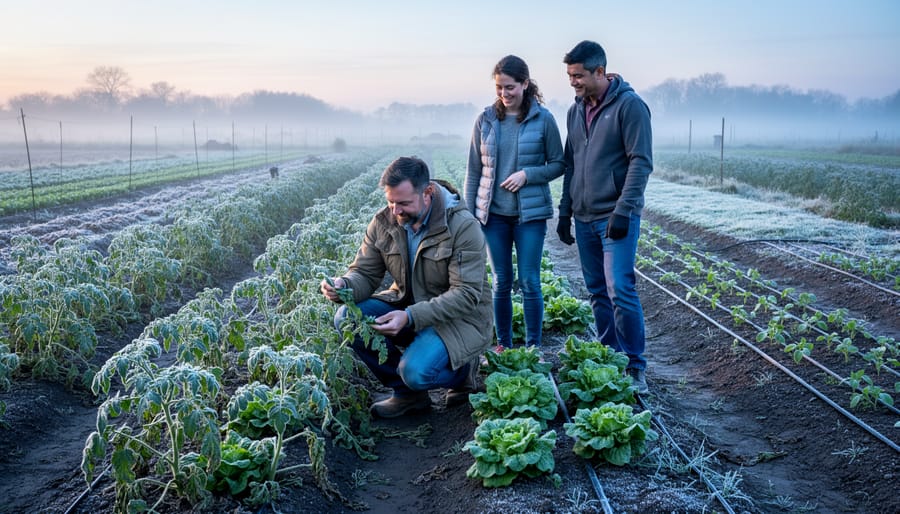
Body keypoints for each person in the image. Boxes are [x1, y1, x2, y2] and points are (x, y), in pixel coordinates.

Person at [321, 156, 493, 418]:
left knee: (416, 371)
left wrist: (410, 316)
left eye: (403, 203)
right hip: (409, 308)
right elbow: (365, 273)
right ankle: (407, 395)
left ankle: (463, 375)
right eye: (390, 202)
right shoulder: (384, 222)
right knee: (348, 318)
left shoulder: (462, 226)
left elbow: (466, 295)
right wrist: (344, 284)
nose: (395, 211)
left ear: (427, 193)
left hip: (460, 320)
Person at [556, 40, 653, 394]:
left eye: (578, 75)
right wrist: (565, 211)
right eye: (569, 75)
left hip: (615, 217)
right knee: (597, 291)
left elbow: (641, 162)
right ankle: (609, 356)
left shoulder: (630, 106)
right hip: (583, 217)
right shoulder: (574, 110)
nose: (573, 82)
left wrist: (624, 210)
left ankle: (634, 366)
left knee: (620, 289)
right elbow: (571, 163)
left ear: (600, 71)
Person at [464, 55, 565, 351]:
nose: (504, 94)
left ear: (524, 83)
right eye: (499, 88)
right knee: (501, 281)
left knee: (531, 281)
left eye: (510, 87)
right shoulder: (485, 120)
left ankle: (534, 346)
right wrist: (471, 216)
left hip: (529, 216)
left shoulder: (543, 119)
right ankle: (504, 346)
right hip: (493, 216)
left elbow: (559, 163)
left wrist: (528, 175)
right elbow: (474, 171)